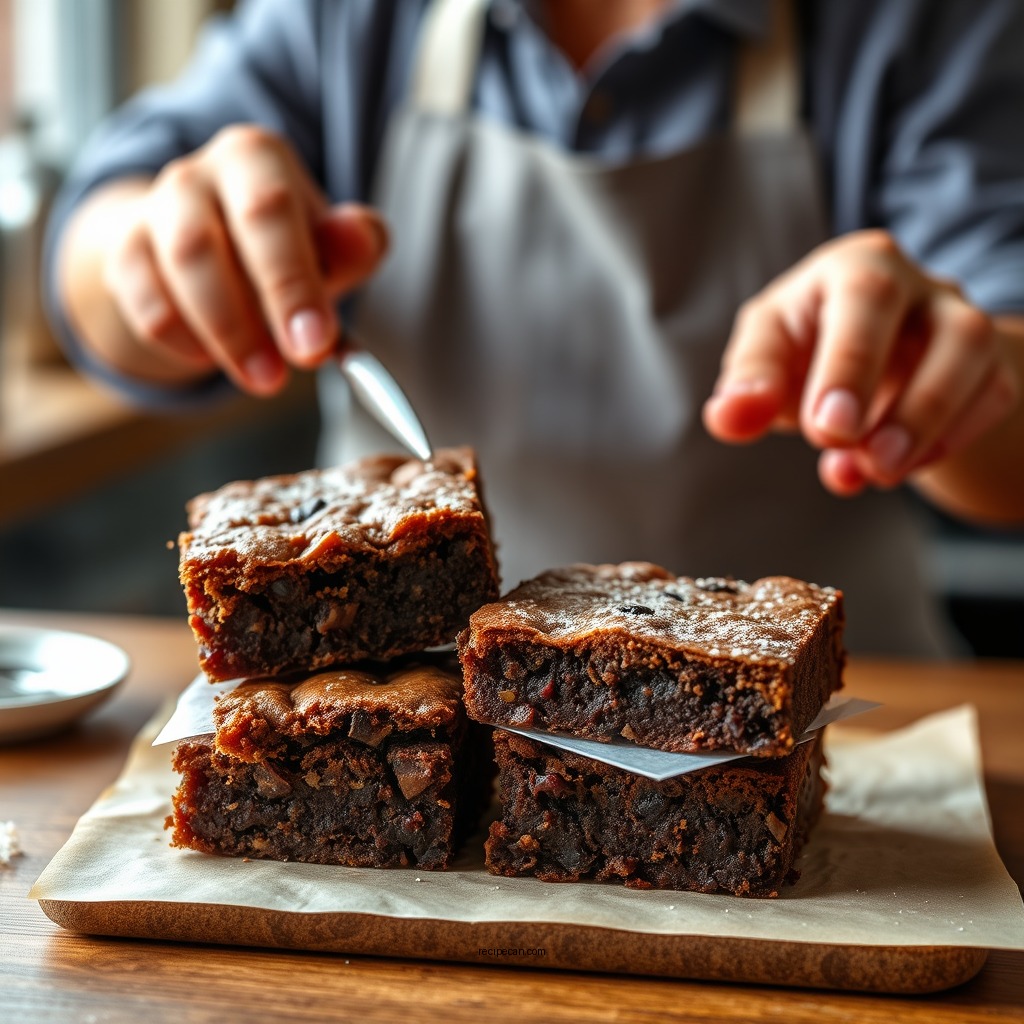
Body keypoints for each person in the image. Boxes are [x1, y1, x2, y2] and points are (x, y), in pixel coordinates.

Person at [45, 0, 1024, 654]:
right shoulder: (347, 21)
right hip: (417, 696)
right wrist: (154, 256)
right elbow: (98, 247)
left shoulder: (918, 28)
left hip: (848, 723)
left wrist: (940, 374)